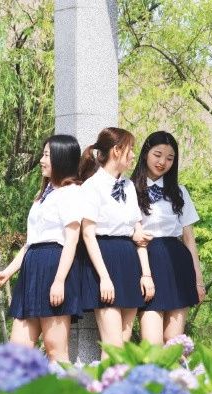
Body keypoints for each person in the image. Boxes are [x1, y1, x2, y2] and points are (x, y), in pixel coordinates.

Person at [0, 135, 83, 363]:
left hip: (54, 267)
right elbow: (31, 242)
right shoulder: (43, 195)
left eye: (46, 155)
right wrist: (7, 272)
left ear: (62, 158)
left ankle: (63, 388)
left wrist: (59, 280)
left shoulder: (72, 193)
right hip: (32, 269)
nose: (41, 160)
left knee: (55, 350)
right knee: (17, 352)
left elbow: (71, 240)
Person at [79, 127, 155, 351]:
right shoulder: (92, 186)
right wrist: (104, 277)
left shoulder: (128, 186)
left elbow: (137, 231)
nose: (133, 155)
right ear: (116, 150)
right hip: (104, 260)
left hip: (129, 260)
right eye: (130, 149)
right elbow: (88, 234)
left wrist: (146, 274)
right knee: (113, 346)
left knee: (123, 344)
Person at [131, 131, 206, 345]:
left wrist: (198, 281)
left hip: (177, 263)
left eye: (170, 158)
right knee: (152, 342)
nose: (163, 162)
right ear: (146, 153)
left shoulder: (180, 192)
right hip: (146, 261)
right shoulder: (129, 189)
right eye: (158, 155)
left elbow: (189, 239)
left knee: (174, 341)